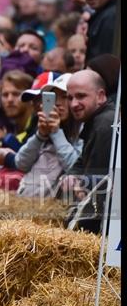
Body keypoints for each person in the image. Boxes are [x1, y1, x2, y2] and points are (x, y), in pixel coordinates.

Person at [59, 69, 116, 232]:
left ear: (100, 96)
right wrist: (72, 175)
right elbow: (83, 161)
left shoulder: (105, 125)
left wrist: (81, 183)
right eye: (70, 98)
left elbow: (98, 187)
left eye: (81, 96)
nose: (73, 104)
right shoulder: (97, 120)